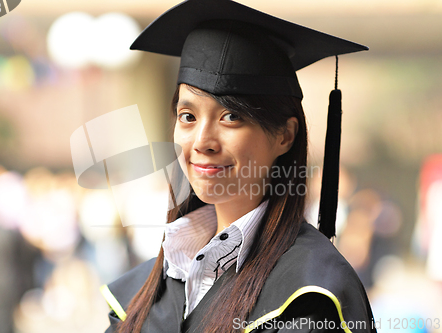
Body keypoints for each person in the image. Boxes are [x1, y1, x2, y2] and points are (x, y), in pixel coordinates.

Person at [100, 0, 377, 332]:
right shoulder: (141, 291)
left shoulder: (311, 294)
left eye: (231, 116)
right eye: (187, 117)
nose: (202, 141)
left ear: (285, 136)